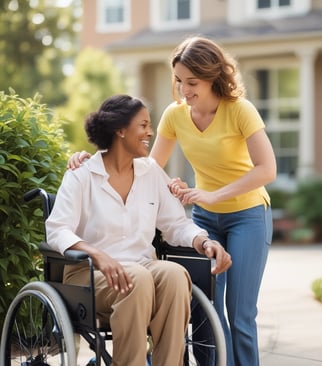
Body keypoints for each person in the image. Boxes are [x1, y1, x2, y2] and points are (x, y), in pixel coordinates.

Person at [68, 36, 276, 366]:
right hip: (206, 218)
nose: (184, 90)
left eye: (192, 82)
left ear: (213, 77)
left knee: (240, 315)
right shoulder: (176, 115)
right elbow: (144, 165)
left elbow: (267, 169)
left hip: (247, 214)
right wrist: (93, 158)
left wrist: (212, 194)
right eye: (179, 81)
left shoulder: (240, 110)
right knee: (204, 309)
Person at [47, 94, 232, 366]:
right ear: (120, 130)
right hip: (88, 274)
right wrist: (97, 254)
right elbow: (57, 229)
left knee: (174, 275)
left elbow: (175, 224)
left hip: (141, 267)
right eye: (143, 125)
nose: (150, 132)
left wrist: (203, 242)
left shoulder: (151, 172)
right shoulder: (82, 175)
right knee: (138, 279)